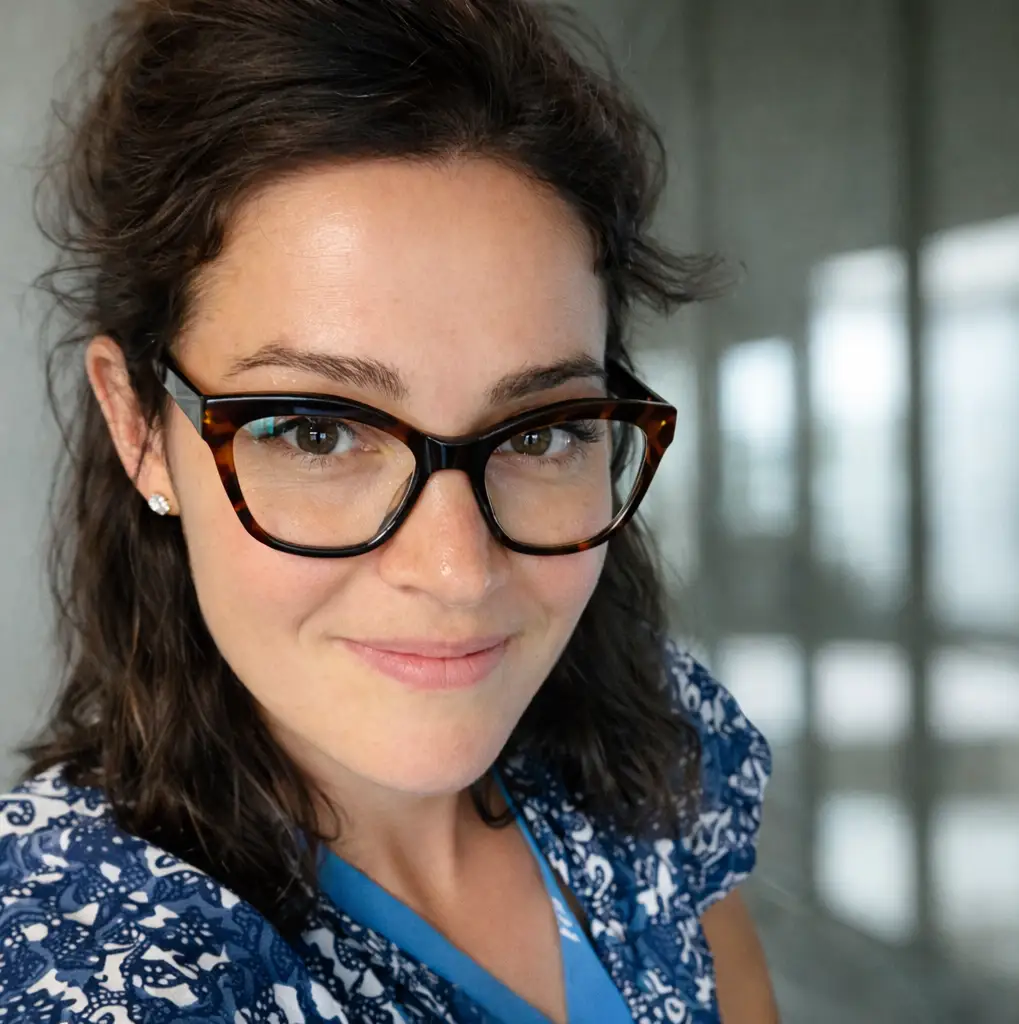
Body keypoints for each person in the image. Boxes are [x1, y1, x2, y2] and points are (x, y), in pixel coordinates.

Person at [0, 1, 776, 1021]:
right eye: (317, 432)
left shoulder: (646, 748)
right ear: (139, 423)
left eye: (541, 432)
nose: (458, 570)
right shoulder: (83, 955)